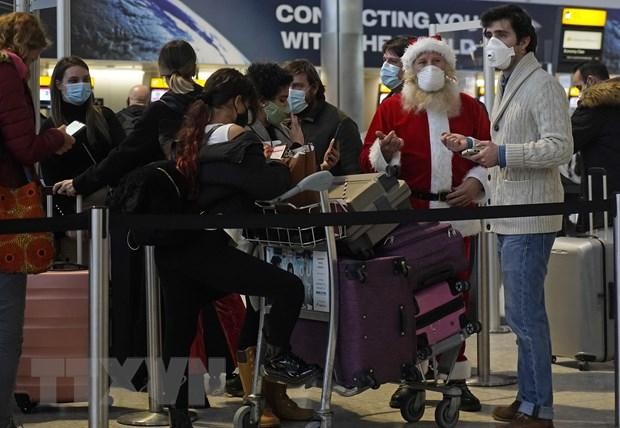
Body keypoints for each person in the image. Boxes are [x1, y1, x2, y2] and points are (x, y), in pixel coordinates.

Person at [53, 41, 243, 424]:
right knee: (192, 307)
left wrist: (81, 182)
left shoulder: (162, 110)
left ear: (160, 69)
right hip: (201, 219)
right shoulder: (206, 106)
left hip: (162, 225)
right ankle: (191, 394)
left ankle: (171, 402)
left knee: (166, 310)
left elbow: (123, 158)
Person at [155, 67, 320, 427]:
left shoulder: (188, 135)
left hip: (175, 245)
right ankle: (277, 357)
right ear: (239, 102)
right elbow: (263, 185)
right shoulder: (238, 135)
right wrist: (283, 162)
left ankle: (177, 409)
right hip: (209, 245)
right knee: (288, 287)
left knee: (178, 328)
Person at [442, 5, 573, 427]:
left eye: (501, 34)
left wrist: (502, 153)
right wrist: (471, 143)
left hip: (530, 220)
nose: (492, 42)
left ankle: (542, 409)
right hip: (510, 216)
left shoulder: (543, 86)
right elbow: (508, 144)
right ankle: (528, 398)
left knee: (525, 315)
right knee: (519, 315)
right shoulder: (511, 82)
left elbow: (559, 147)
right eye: (487, 34)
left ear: (524, 41)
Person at [360, 35, 490, 413]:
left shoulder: (470, 107)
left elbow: (488, 152)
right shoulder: (391, 108)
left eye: (437, 59)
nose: (430, 66)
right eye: (421, 61)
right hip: (409, 217)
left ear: (449, 68)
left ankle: (455, 376)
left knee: (458, 295)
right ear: (409, 69)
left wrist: (474, 182)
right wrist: (382, 153)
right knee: (408, 298)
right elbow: (368, 161)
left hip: (459, 216)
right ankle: (412, 373)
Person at [0, 12, 75, 428]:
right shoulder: (8, 72)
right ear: (26, 47)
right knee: (6, 321)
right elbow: (23, 147)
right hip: (5, 211)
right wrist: (57, 138)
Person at [246, 62, 340, 172]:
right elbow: (278, 174)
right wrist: (298, 146)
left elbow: (297, 172)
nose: (287, 106)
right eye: (282, 100)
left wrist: (323, 166)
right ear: (262, 101)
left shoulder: (283, 130)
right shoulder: (245, 133)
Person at [282, 59, 362, 175]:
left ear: (314, 88)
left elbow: (354, 174)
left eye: (297, 86)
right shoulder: (283, 120)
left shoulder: (340, 123)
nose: (290, 92)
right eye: (286, 87)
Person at [572, 71, 620, 226]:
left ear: (590, 81)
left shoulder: (595, 106)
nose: (578, 93)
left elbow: (564, 144)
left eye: (579, 87)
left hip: (603, 204)